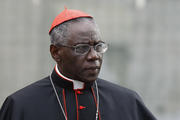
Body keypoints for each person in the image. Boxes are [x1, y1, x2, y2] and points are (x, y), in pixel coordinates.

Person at [0, 8, 157, 120]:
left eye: (98, 46)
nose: (94, 56)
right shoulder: (20, 105)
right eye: (82, 48)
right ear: (56, 52)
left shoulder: (127, 101)